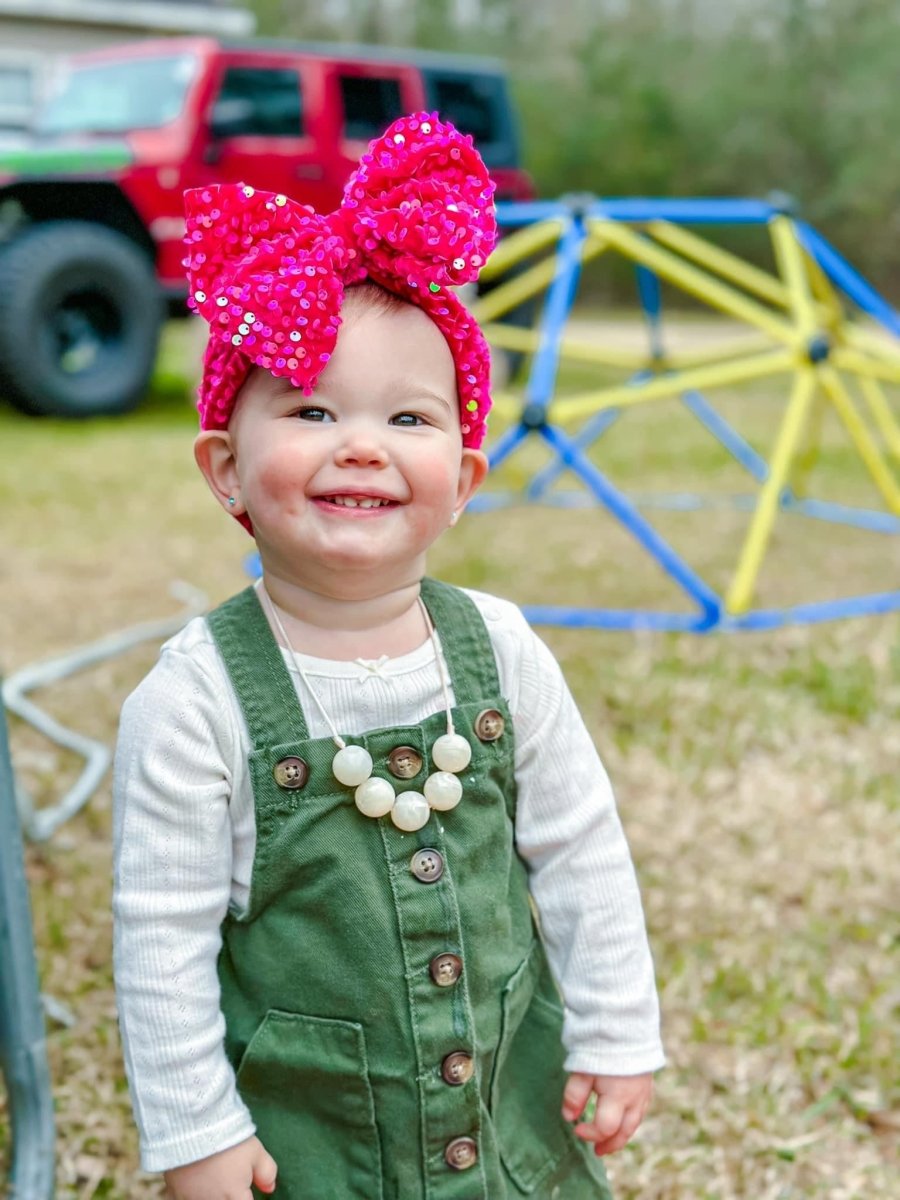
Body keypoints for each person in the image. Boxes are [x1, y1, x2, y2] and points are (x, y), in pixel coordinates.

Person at [113, 113, 664, 1200]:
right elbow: (160, 944)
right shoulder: (195, 700)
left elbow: (581, 851)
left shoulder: (500, 651)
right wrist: (194, 1135)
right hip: (312, 1141)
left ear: (462, 480)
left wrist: (616, 1027)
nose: (360, 443)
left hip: (505, 1112)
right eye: (312, 408)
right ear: (226, 467)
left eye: (410, 418)